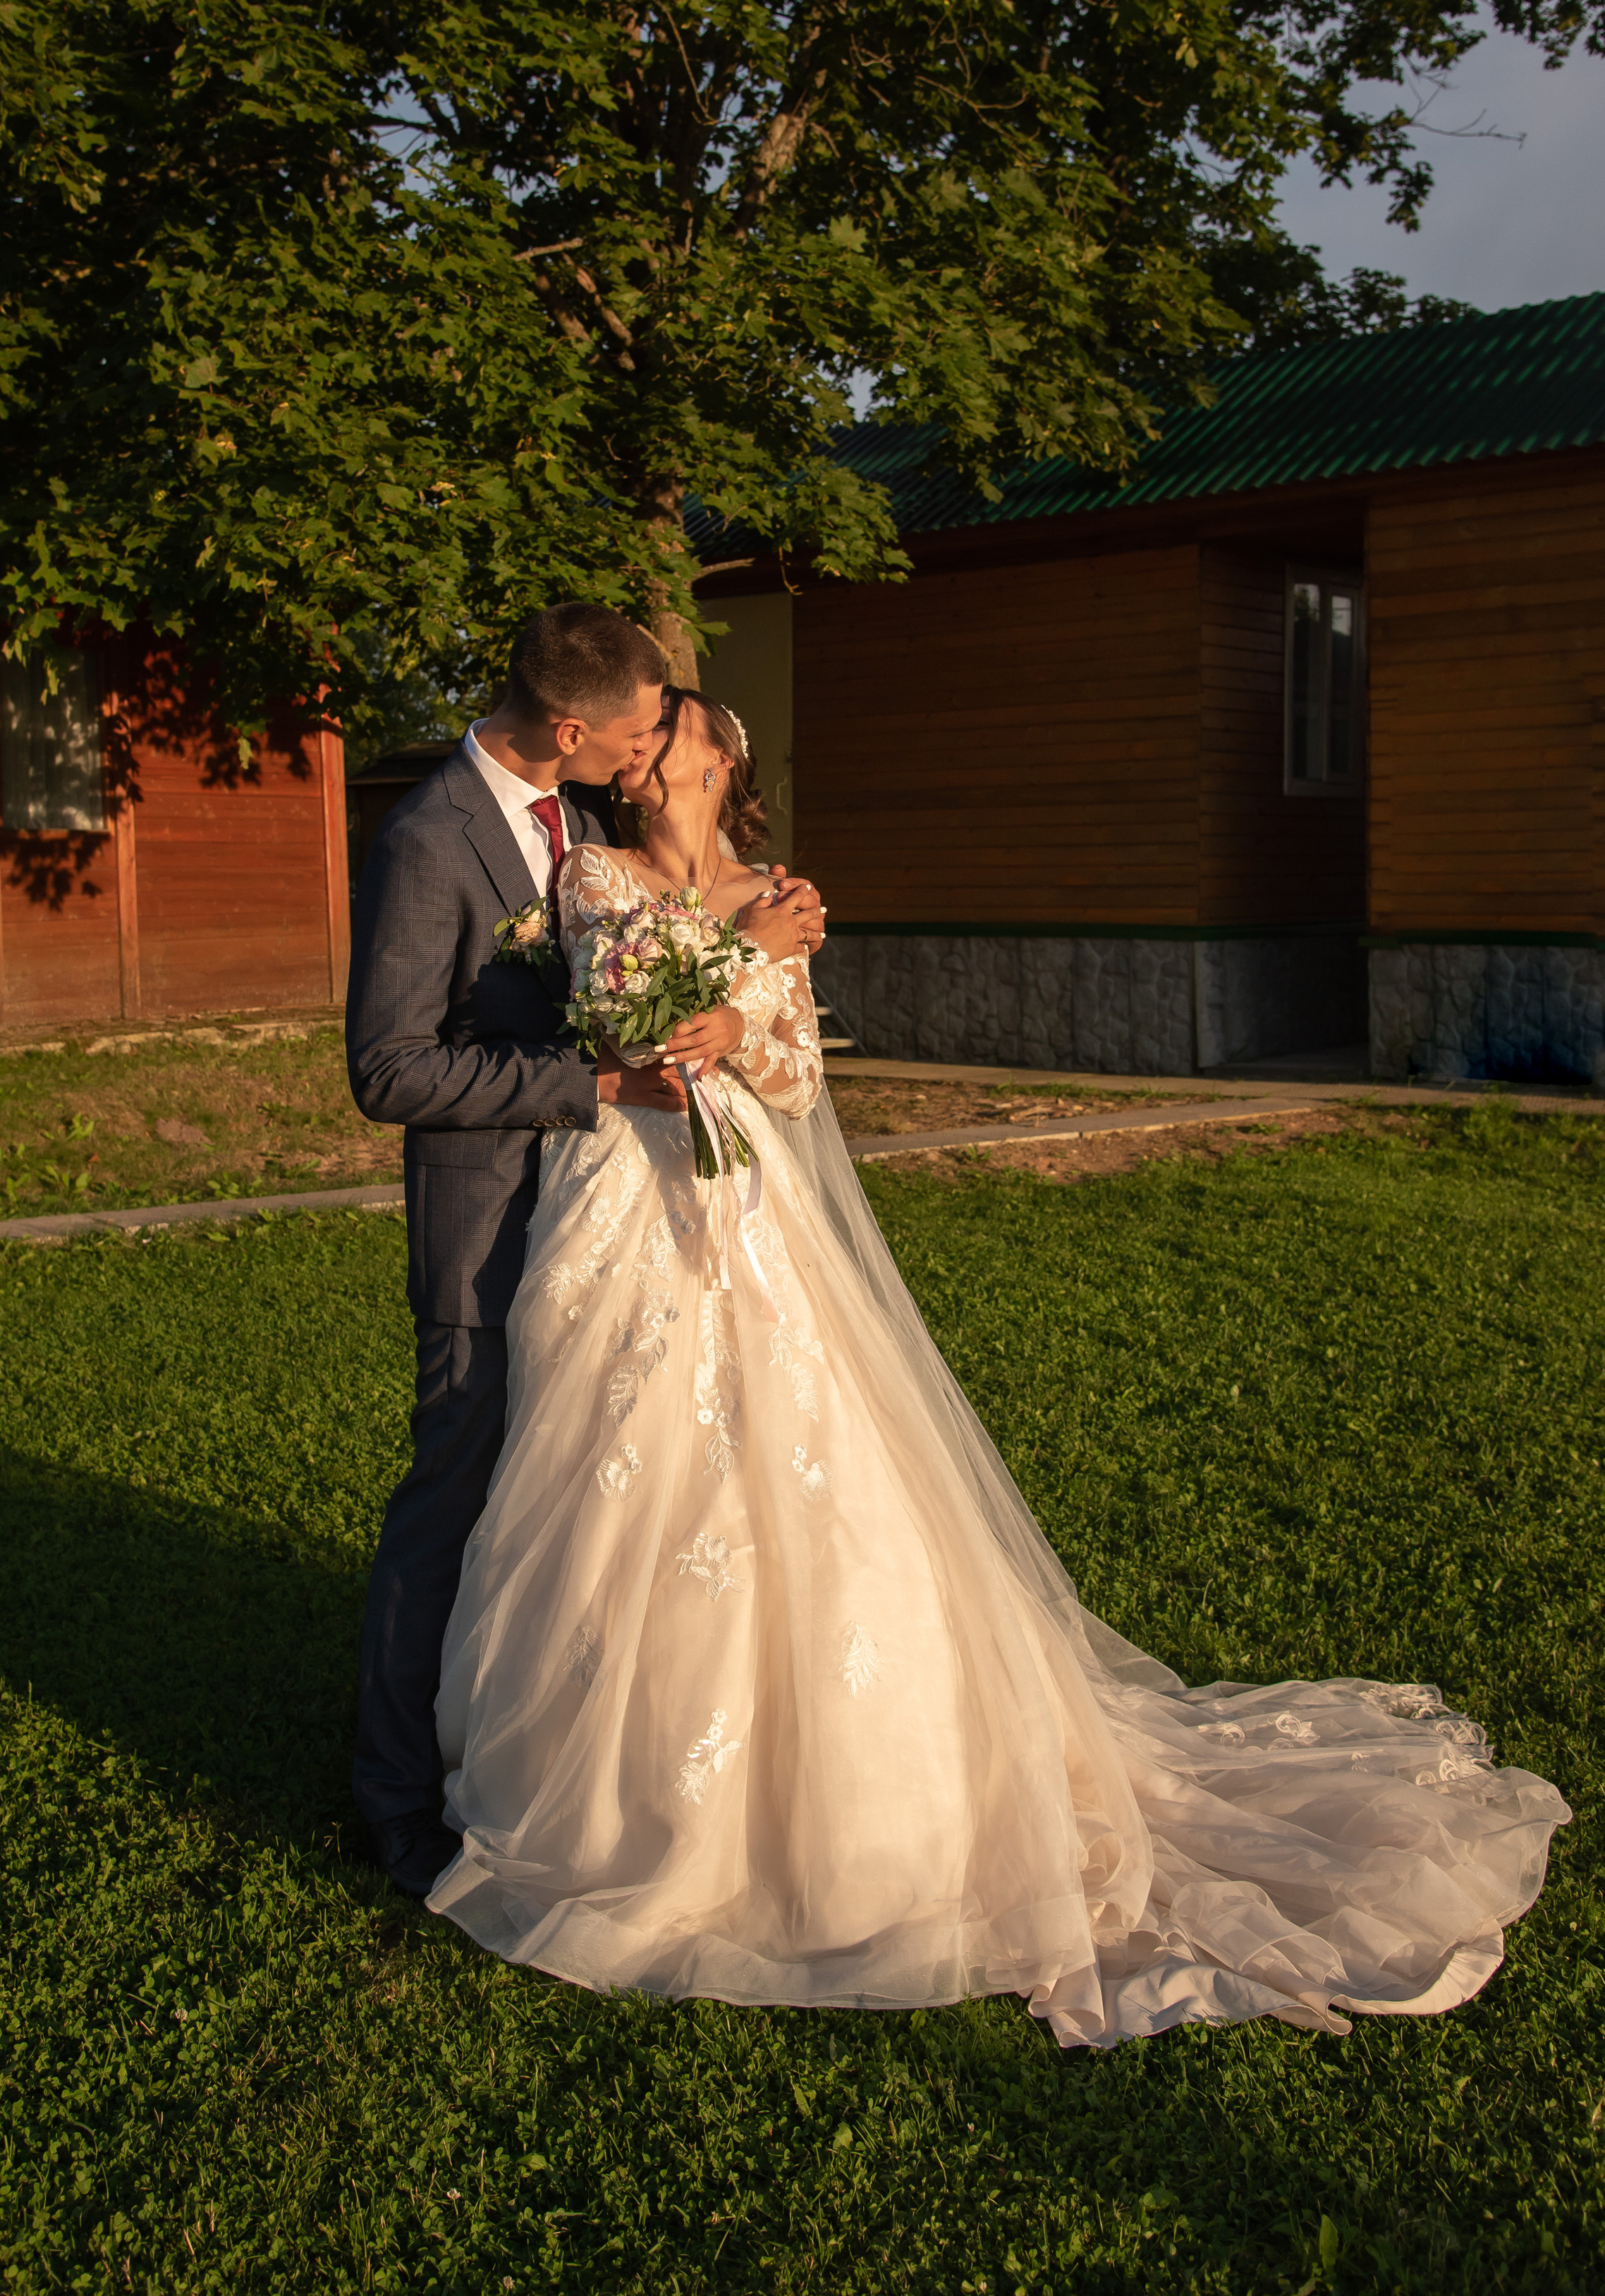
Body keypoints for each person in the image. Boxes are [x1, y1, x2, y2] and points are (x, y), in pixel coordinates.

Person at [423, 687, 1570, 2043]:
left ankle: (852, 1809)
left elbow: (790, 1075)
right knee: (616, 1468)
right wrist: (733, 962)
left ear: (724, 756)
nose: (646, 743)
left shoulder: (775, 889)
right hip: (622, 1196)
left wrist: (748, 1005)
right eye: (643, 726)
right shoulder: (597, 875)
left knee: (802, 1482)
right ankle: (599, 1790)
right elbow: (623, 1031)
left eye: (672, 723)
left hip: (743, 1210)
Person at [345, 604, 825, 1893]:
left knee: (565, 1504)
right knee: (450, 1504)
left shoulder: (584, 831)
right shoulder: (424, 842)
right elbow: (387, 1068)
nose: (642, 751)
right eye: (631, 731)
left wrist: (750, 941)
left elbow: (664, 959)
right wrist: (595, 1084)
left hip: (603, 1218)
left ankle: (524, 1749)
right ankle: (395, 1798)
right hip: (490, 1223)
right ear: (570, 726)